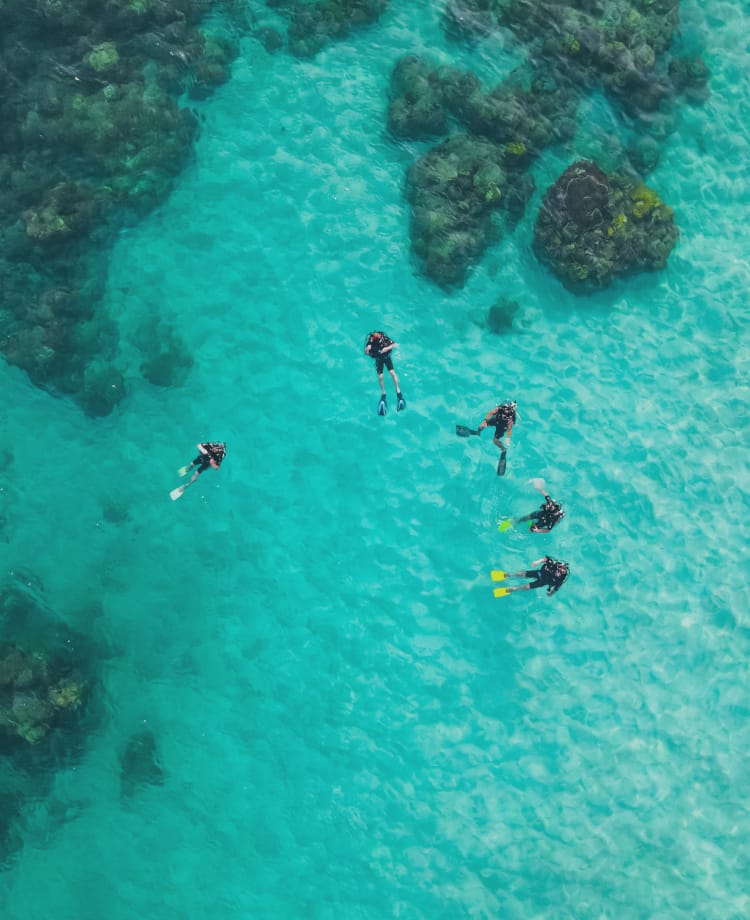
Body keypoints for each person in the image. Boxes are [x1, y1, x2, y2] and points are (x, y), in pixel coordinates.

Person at [500, 478, 564, 533]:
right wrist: (539, 488)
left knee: (532, 529)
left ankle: (531, 525)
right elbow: (547, 495)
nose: (547, 505)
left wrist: (537, 530)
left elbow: (548, 530)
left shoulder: (553, 519)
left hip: (546, 520)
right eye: (548, 505)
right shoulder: (551, 503)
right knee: (529, 516)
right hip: (542, 514)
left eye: (547, 507)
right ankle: (517, 521)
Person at [364, 330, 405, 415]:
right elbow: (366, 352)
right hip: (379, 360)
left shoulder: (384, 338)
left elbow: (395, 344)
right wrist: (367, 349)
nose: (374, 337)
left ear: (379, 335)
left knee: (392, 373)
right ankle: (383, 393)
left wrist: (387, 348)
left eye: (376, 336)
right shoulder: (371, 341)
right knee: (380, 376)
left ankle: (398, 391)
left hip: (386, 358)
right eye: (373, 336)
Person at [492, 557, 569, 597]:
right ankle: (508, 575)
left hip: (541, 582)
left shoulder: (560, 579)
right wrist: (537, 562)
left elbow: (556, 588)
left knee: (525, 587)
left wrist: (551, 593)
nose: (561, 571)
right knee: (522, 574)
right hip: (539, 573)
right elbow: (545, 559)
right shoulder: (554, 563)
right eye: (561, 568)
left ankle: (512, 589)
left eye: (563, 571)